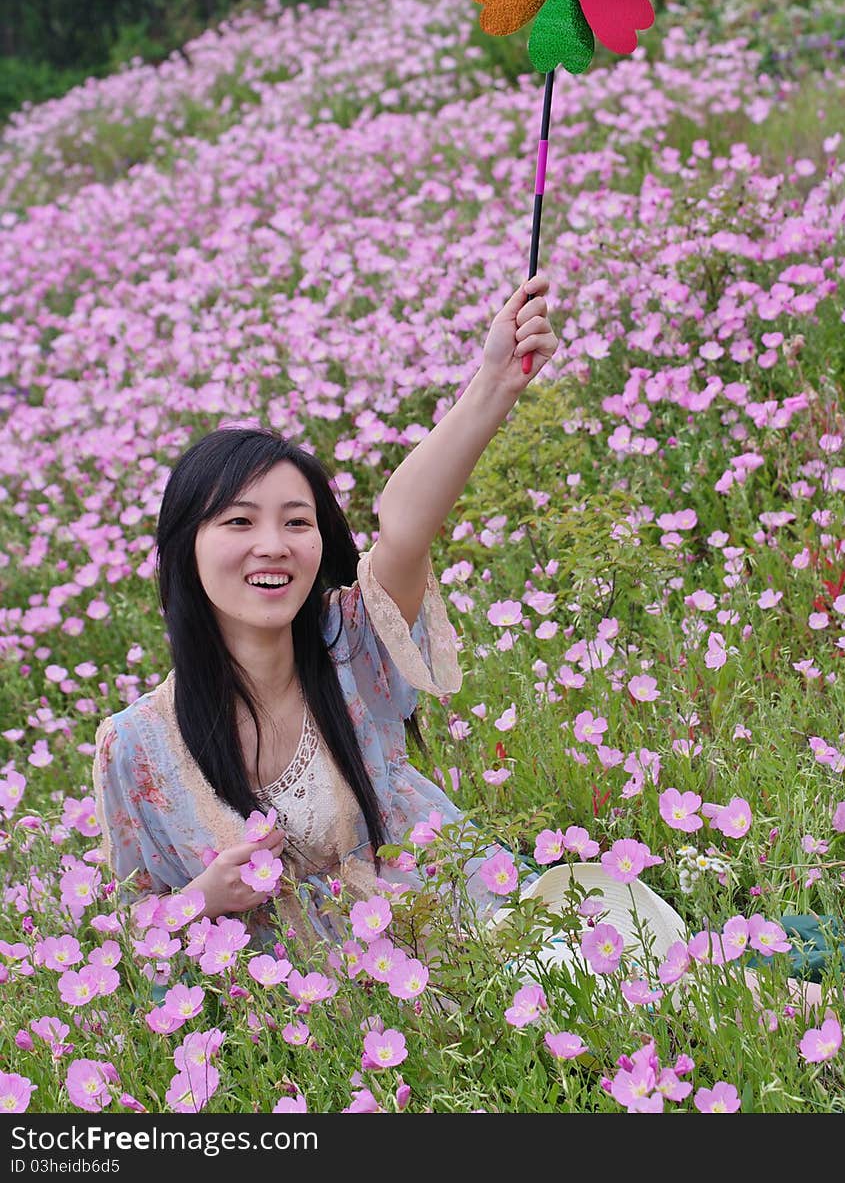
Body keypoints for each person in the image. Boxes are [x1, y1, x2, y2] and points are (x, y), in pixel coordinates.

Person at [93, 274, 559, 949]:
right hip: (304, 1032)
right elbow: (126, 933)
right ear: (184, 548)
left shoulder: (352, 646)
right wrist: (202, 899)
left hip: (458, 949)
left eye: (296, 521)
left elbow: (404, 526)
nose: (272, 545)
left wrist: (492, 385)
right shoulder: (135, 744)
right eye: (239, 521)